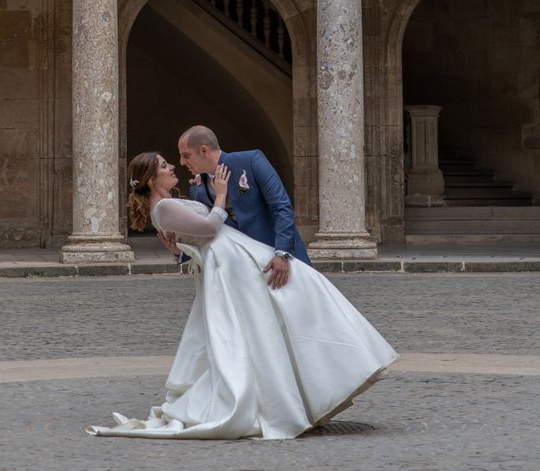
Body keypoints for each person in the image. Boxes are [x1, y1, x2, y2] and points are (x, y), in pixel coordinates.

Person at [85, 151, 398, 440]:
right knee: (260, 327)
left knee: (290, 305)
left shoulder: (170, 202)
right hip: (230, 262)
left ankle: (322, 382)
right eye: (165, 165)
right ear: (152, 179)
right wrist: (220, 192)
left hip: (235, 255)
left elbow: (194, 237)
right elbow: (208, 228)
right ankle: (284, 399)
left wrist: (204, 197)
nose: (172, 167)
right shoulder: (164, 207)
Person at [159, 125, 309, 290]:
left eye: (186, 156)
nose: (181, 162)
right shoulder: (198, 190)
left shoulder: (251, 161)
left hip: (280, 260)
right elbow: (208, 234)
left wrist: (282, 254)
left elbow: (282, 207)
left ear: (203, 150)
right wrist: (180, 252)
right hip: (243, 273)